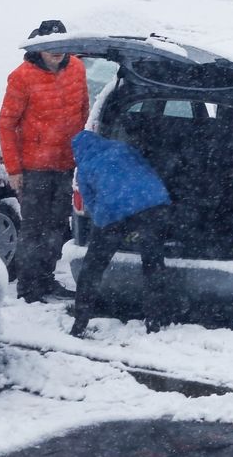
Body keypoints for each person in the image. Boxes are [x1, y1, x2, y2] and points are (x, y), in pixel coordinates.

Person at [0, 19, 89, 302]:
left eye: (61, 46)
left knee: (57, 227)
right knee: (34, 229)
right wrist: (14, 169)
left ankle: (46, 280)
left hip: (66, 164)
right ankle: (28, 287)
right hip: (34, 167)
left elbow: (84, 109)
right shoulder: (21, 76)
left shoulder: (77, 67)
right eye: (50, 47)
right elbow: (6, 124)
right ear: (38, 47)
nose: (57, 52)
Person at [69, 129, 172, 337]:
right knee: (153, 262)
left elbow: (90, 204)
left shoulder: (84, 167)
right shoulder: (121, 148)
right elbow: (146, 169)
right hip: (153, 204)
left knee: (93, 267)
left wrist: (107, 232)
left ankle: (80, 321)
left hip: (113, 212)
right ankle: (154, 318)